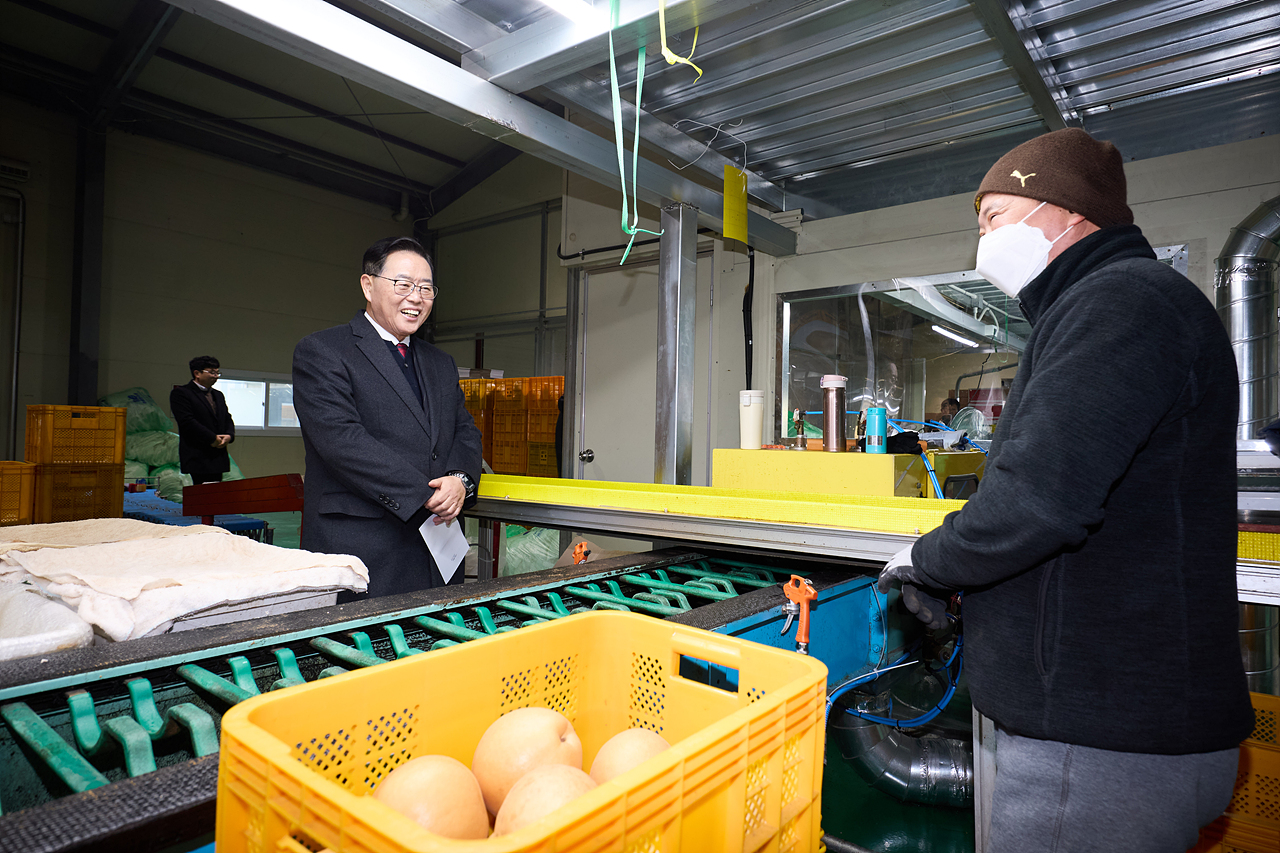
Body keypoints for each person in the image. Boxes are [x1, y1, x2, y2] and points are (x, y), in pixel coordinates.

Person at [877, 128, 1253, 852]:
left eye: (992, 219)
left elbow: (1038, 498)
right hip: (1119, 731)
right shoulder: (1101, 308)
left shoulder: (1121, 304)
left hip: (1101, 741)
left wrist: (927, 560)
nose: (982, 242)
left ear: (1067, 212)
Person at [292, 236, 482, 600]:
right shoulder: (324, 350)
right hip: (365, 546)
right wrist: (425, 495)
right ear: (368, 284)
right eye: (404, 284)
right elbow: (342, 441)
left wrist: (459, 480)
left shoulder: (439, 363)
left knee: (437, 643)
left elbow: (464, 430)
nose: (416, 297)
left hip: (437, 549)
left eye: (426, 288)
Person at [170, 356, 235, 485]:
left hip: (218, 454)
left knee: (216, 495)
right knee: (201, 496)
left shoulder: (218, 395)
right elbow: (187, 422)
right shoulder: (182, 393)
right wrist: (212, 438)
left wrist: (229, 435)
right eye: (212, 372)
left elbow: (227, 417)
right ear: (197, 373)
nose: (216, 376)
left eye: (217, 372)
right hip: (198, 454)